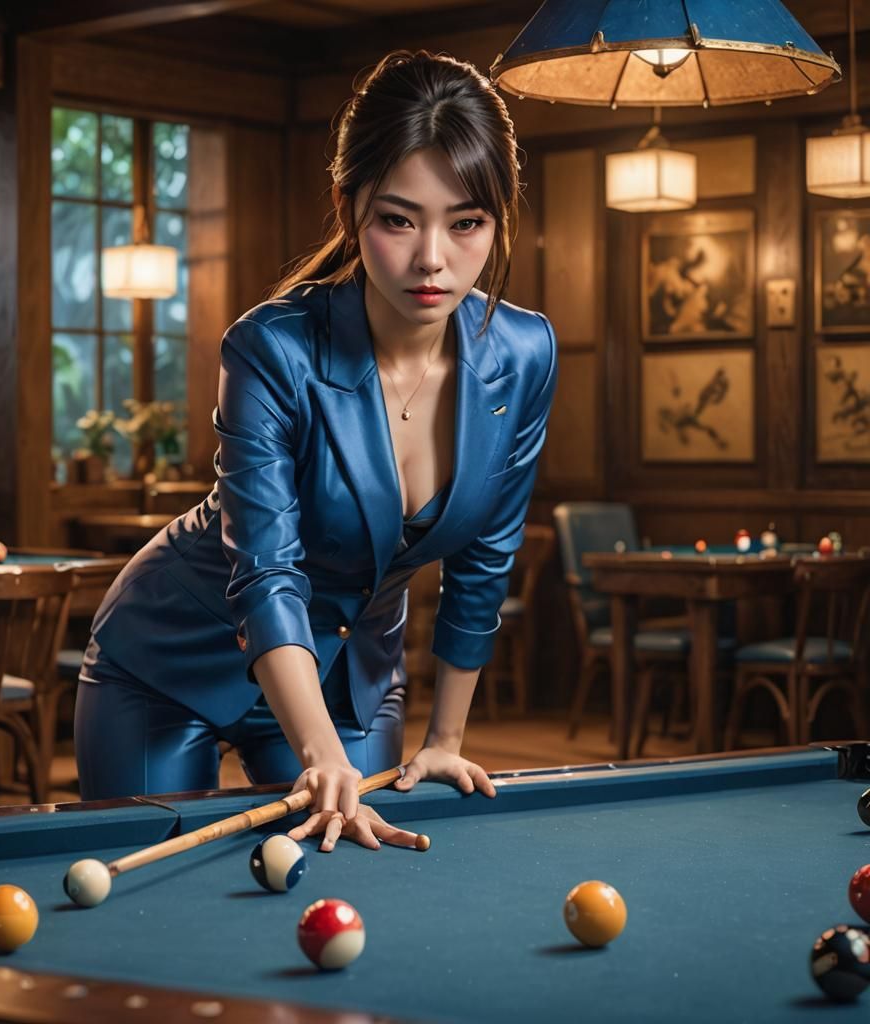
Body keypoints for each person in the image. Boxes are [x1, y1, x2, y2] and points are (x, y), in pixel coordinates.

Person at [74, 49, 557, 853]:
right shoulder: (270, 349)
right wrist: (321, 755)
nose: (432, 258)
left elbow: (487, 558)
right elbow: (266, 570)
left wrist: (446, 739)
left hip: (351, 676)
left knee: (345, 878)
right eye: (399, 219)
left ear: (498, 218)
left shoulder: (525, 351)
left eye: (466, 222)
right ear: (349, 207)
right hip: (174, 658)